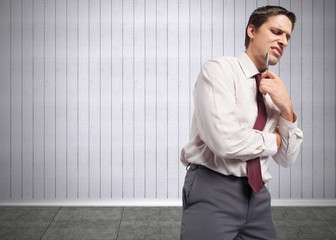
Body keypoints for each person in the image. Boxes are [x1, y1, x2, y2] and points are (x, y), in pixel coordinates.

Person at [180, 5, 303, 240]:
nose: (284, 41)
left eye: (288, 36)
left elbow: (286, 158)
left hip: (258, 196)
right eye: (277, 31)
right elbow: (224, 141)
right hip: (213, 187)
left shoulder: (274, 89)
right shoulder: (219, 71)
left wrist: (287, 109)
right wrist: (274, 139)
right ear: (251, 30)